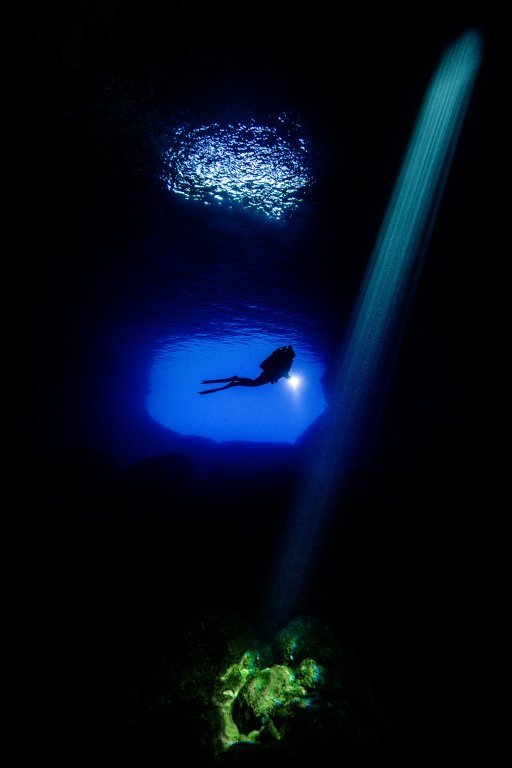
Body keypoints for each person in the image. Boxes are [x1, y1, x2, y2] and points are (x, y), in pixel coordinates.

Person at [199, 345, 295, 394]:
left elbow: (280, 370)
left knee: (253, 383)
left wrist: (278, 377)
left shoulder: (285, 357)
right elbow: (283, 371)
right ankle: (235, 381)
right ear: (291, 355)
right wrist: (288, 377)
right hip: (269, 374)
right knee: (253, 383)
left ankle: (235, 380)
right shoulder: (288, 359)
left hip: (268, 373)